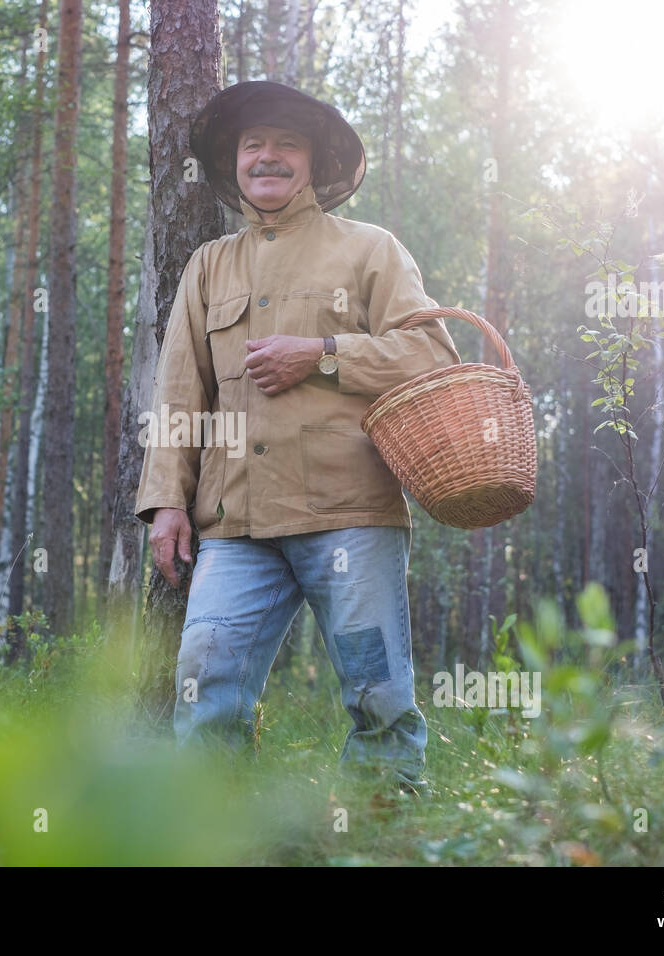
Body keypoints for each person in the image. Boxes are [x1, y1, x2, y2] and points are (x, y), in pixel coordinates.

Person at [134, 81, 461, 792]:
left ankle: (386, 829)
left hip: (348, 514)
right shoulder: (208, 265)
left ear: (313, 161)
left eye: (287, 144)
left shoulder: (371, 250)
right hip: (233, 524)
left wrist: (323, 352)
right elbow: (179, 391)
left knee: (377, 692)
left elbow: (433, 357)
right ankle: (213, 831)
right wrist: (166, 502)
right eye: (255, 145)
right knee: (206, 677)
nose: (269, 157)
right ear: (237, 161)